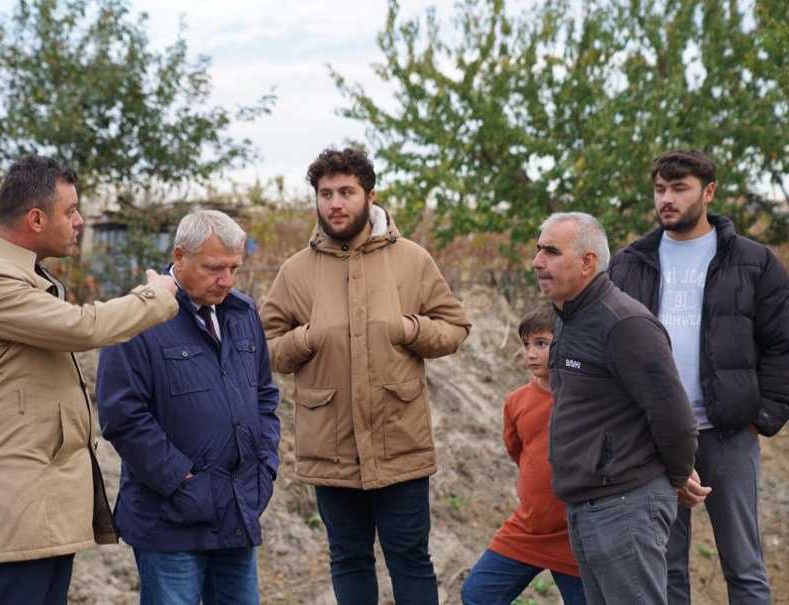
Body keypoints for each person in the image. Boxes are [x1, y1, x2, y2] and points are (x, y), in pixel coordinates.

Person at [0, 154, 179, 605]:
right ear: (35, 218)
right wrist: (156, 296)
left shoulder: (15, 274)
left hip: (37, 498)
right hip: (18, 501)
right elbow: (83, 327)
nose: (80, 221)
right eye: (70, 211)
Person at [260, 147, 471, 605]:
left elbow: (456, 327)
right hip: (330, 446)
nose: (335, 203)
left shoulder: (412, 260)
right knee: (349, 558)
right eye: (326, 193)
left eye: (346, 192)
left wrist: (410, 328)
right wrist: (306, 339)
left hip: (400, 440)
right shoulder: (296, 272)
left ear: (369, 196)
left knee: (410, 558)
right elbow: (266, 346)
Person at [609, 149, 789, 604]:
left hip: (728, 433)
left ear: (708, 192)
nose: (666, 199)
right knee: (665, 569)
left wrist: (761, 416)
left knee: (744, 567)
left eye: (679, 188)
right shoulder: (630, 262)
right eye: (660, 189)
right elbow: (609, 345)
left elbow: (783, 344)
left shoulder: (755, 262)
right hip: (653, 437)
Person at [96, 210, 280, 605]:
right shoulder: (138, 317)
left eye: (234, 268)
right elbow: (121, 415)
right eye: (215, 268)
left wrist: (264, 467)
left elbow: (265, 396)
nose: (227, 280)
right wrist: (182, 481)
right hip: (169, 521)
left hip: (236, 512)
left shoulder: (243, 314)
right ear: (179, 256)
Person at [531, 212, 697, 604]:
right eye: (538, 250)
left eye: (551, 252)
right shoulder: (569, 318)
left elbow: (674, 418)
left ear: (587, 261)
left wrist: (674, 478)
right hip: (587, 505)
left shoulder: (625, 324)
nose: (537, 261)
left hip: (625, 506)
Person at [460, 304, 585, 605]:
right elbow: (519, 453)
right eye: (526, 344)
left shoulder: (586, 398)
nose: (530, 353)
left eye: (541, 344)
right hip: (529, 528)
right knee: (477, 594)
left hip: (576, 534)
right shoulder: (516, 402)